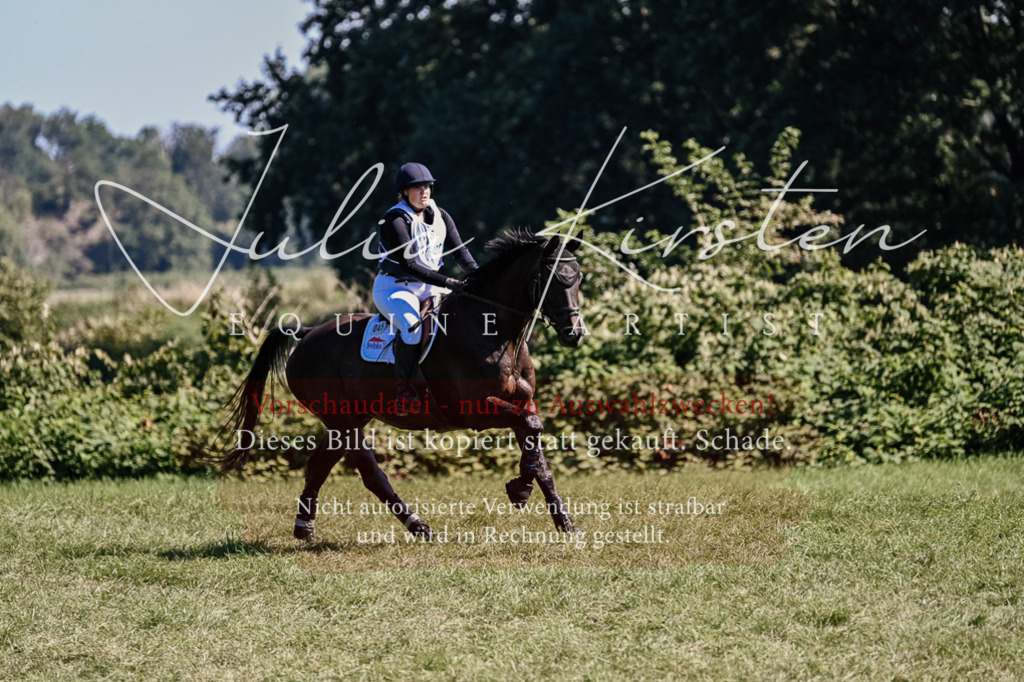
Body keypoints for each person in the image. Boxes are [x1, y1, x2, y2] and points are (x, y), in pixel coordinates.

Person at [373, 162, 478, 412]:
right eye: (418, 188)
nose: (424, 192)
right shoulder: (395, 219)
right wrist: (449, 282)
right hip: (395, 288)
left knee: (459, 323)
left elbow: (459, 252)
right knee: (413, 330)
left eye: (427, 187)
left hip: (428, 287)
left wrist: (478, 276)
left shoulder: (440, 215)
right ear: (404, 192)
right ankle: (403, 391)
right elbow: (409, 265)